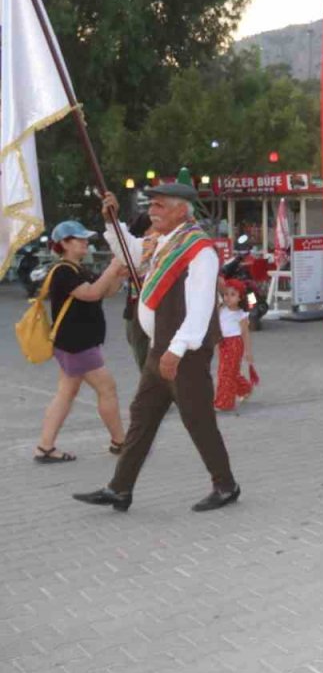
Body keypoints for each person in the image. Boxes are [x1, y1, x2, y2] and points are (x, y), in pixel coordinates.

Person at [75, 184, 239, 513]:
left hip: (183, 353)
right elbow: (131, 253)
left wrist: (176, 349)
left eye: (160, 205)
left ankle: (225, 485)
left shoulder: (198, 249)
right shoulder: (166, 241)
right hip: (160, 349)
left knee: (198, 420)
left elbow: (201, 307)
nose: (152, 211)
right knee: (142, 418)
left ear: (182, 210)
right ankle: (120, 489)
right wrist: (112, 221)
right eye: (151, 205)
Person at [32, 221, 128, 464]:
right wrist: (113, 265)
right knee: (107, 389)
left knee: (66, 393)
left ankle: (45, 447)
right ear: (64, 244)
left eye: (86, 238)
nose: (86, 242)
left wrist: (117, 274)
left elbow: (106, 291)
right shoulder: (64, 271)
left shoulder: (78, 269)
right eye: (79, 239)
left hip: (76, 342)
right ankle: (120, 442)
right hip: (77, 344)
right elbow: (91, 293)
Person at [122, 211, 157, 371]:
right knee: (146, 366)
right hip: (137, 312)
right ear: (145, 231)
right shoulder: (137, 250)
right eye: (154, 226)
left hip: (161, 313)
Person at [213, 279, 254, 412]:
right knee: (230, 371)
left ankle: (223, 403)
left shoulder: (241, 314)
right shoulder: (221, 309)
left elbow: (245, 334)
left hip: (235, 344)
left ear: (240, 297)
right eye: (226, 294)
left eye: (232, 295)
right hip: (223, 343)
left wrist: (248, 352)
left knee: (225, 373)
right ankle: (245, 389)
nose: (228, 297)